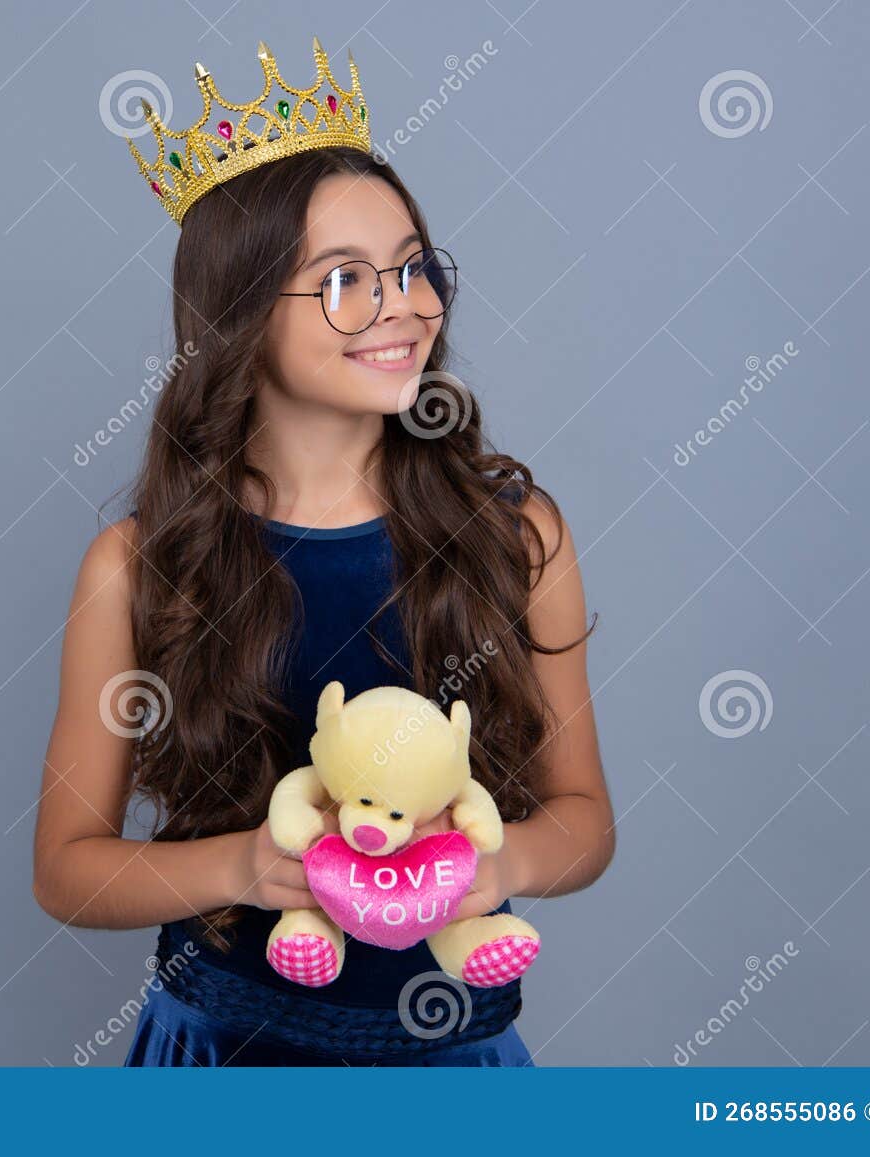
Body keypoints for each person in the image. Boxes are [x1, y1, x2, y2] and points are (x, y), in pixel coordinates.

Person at [32, 38, 615, 1066]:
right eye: (344, 279)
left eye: (411, 266)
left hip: (451, 1062)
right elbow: (68, 870)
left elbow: (583, 821)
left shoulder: (518, 538)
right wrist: (247, 868)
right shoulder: (136, 567)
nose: (403, 304)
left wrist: (501, 857)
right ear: (241, 317)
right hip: (222, 1050)